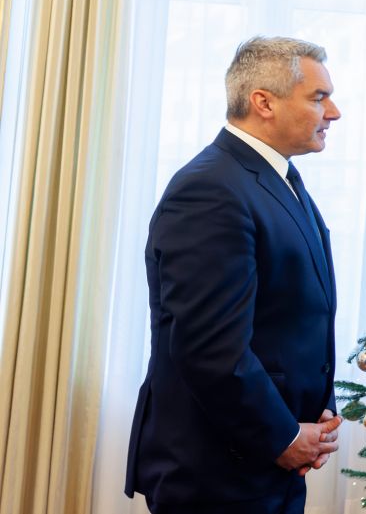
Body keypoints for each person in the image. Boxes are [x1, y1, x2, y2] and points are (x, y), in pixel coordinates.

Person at [126, 36, 345, 513]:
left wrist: (313, 413)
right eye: (318, 97)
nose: (334, 112)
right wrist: (285, 434)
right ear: (263, 102)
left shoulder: (274, 177)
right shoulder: (210, 188)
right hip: (218, 470)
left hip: (263, 462)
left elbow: (287, 315)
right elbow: (209, 346)